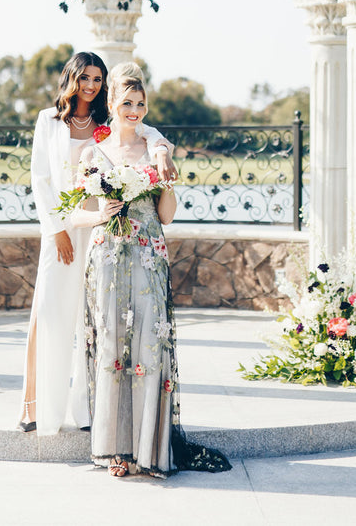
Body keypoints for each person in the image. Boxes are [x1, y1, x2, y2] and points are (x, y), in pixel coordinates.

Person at [69, 73, 230, 478]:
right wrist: (98, 213)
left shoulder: (156, 150)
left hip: (148, 255)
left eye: (141, 104)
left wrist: (168, 185)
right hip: (107, 257)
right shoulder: (94, 155)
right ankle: (116, 450)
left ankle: (150, 450)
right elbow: (71, 211)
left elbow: (166, 216)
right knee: (112, 347)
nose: (135, 111)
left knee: (148, 345)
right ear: (112, 103)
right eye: (127, 104)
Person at [19, 52, 174, 435]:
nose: (91, 85)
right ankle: (34, 406)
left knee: (93, 323)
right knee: (51, 315)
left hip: (104, 229)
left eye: (98, 79)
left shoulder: (105, 123)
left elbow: (145, 129)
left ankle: (87, 410)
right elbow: (40, 179)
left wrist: (161, 150)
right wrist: (56, 231)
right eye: (85, 77)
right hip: (61, 230)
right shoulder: (48, 121)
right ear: (70, 78)